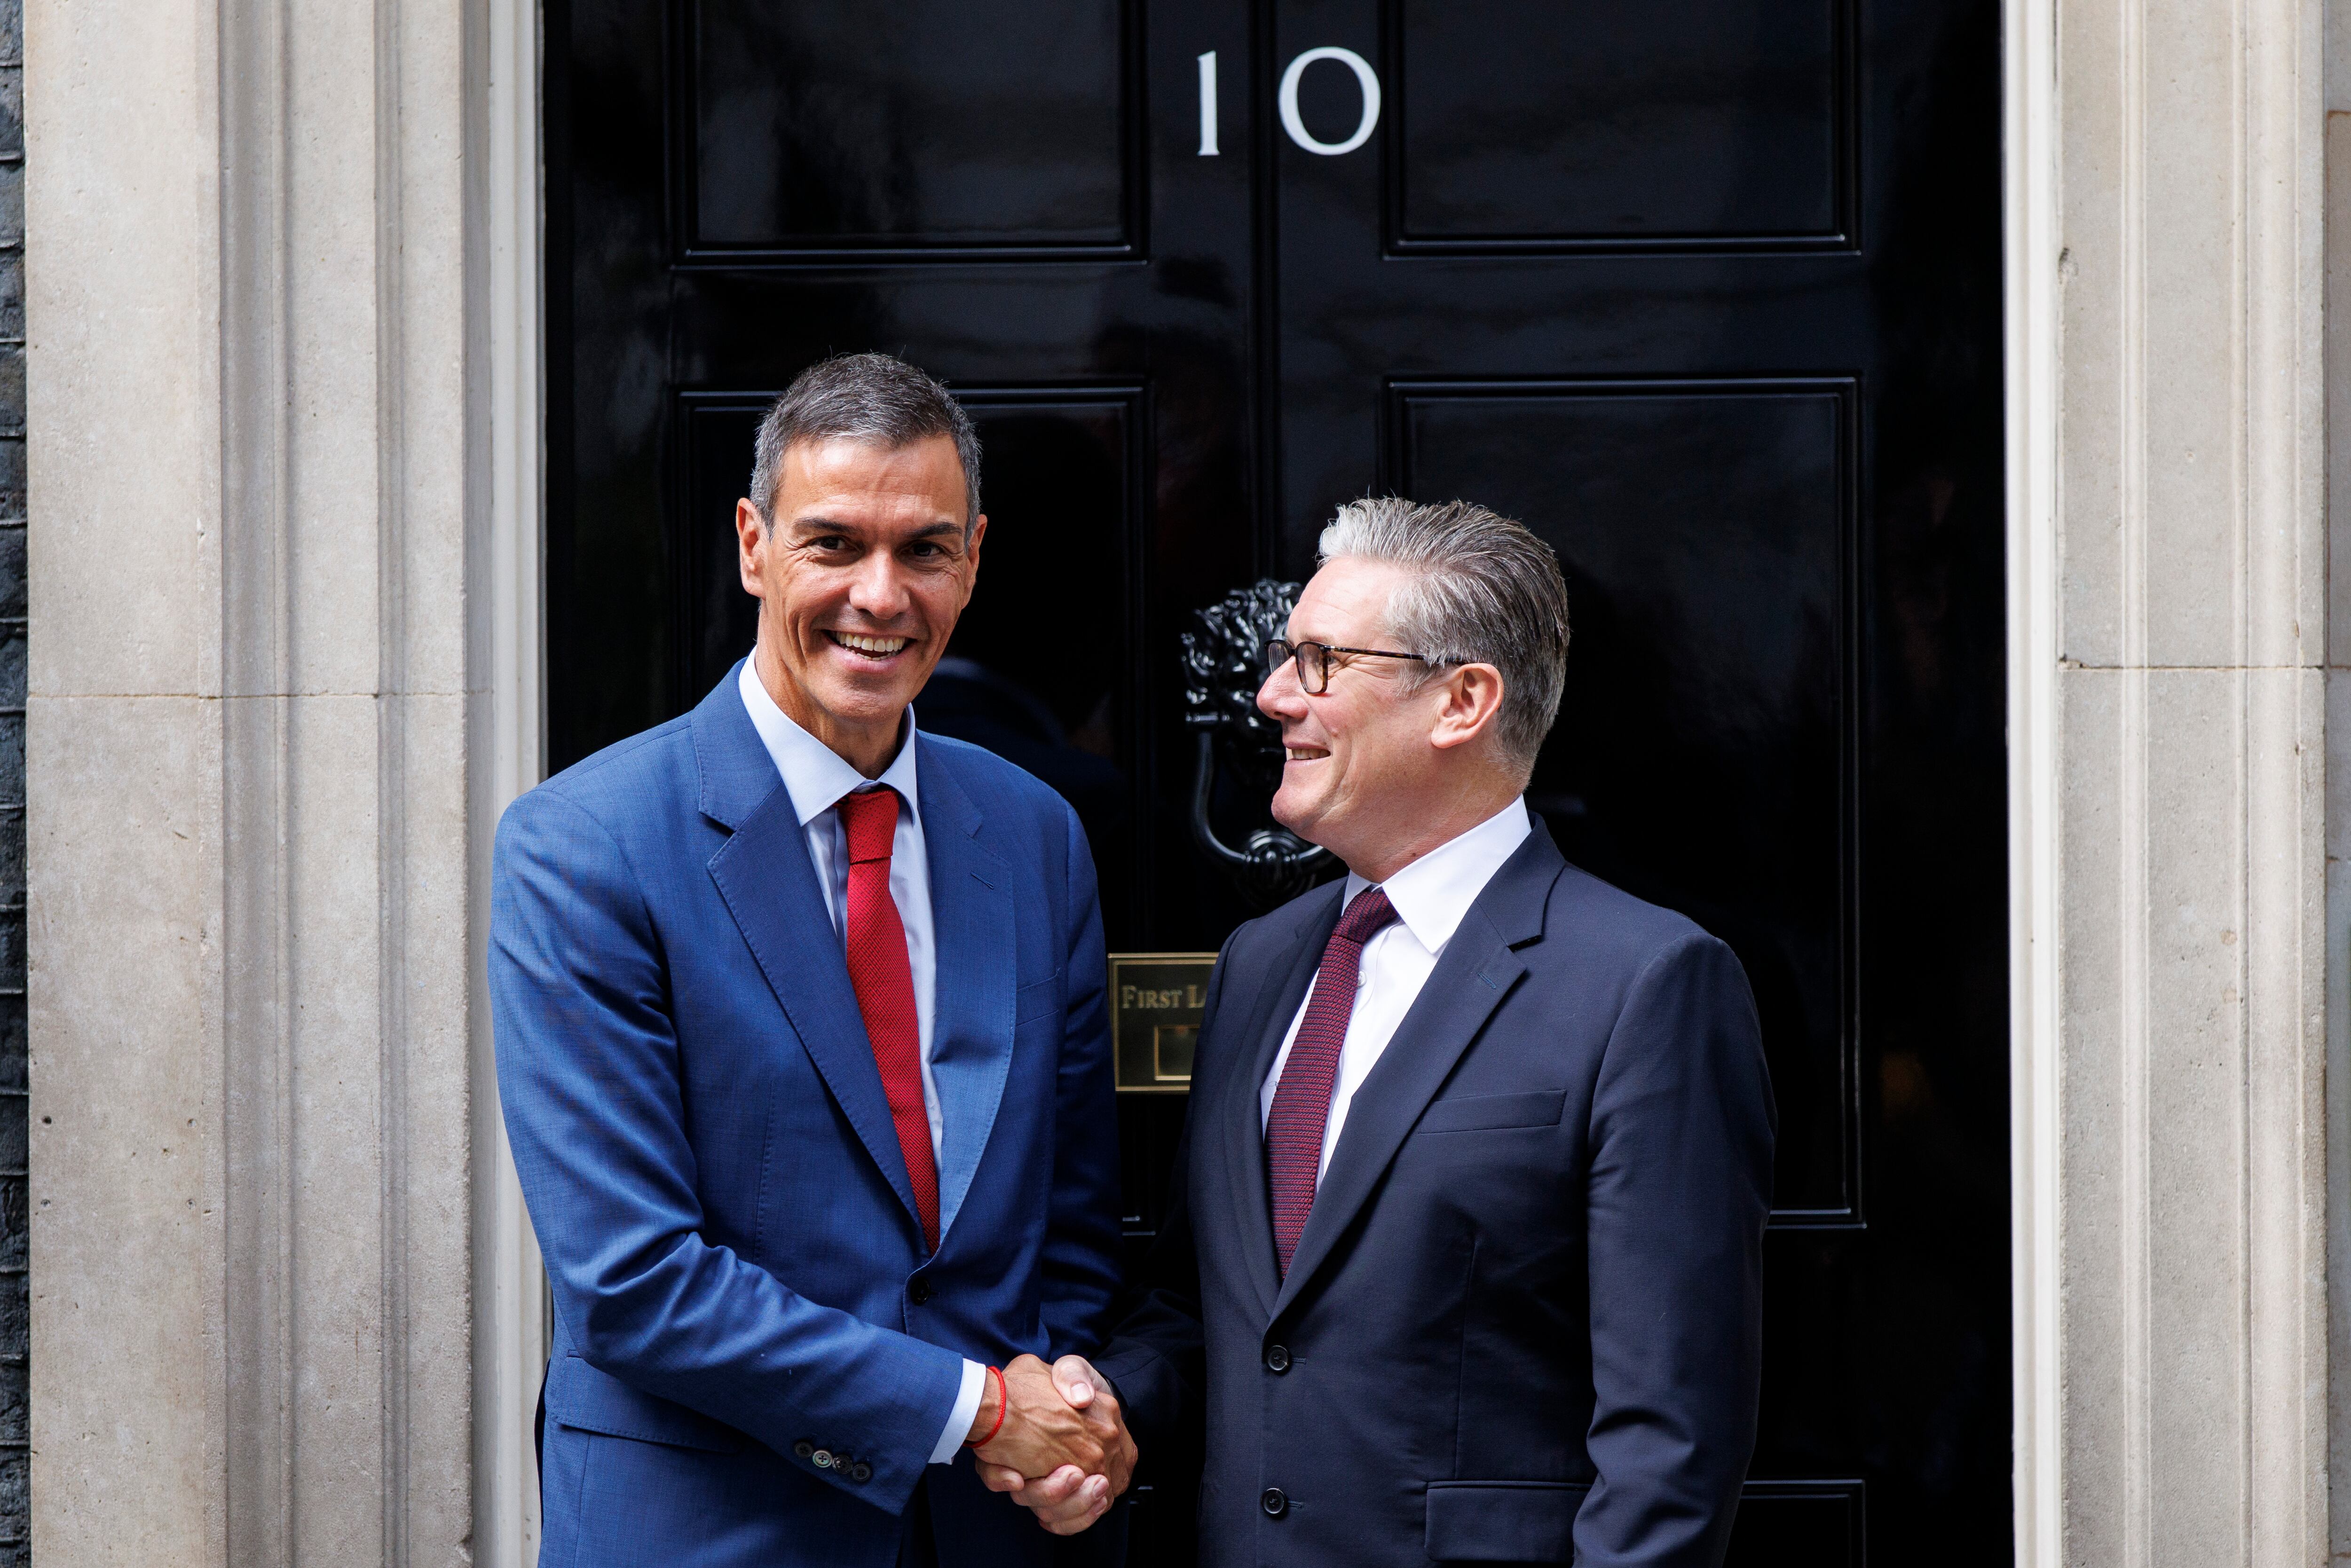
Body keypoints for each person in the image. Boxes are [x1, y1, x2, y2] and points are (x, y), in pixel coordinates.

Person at [989, 498, 1776, 1565]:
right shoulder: (1260, 963)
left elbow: (1670, 1443)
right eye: (1285, 659)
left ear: (1462, 701)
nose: (1273, 696)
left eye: (1320, 662)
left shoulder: (1648, 983)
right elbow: (1208, 1306)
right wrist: (1107, 1405)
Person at [492, 353, 1136, 1568]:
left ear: (974, 561)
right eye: (834, 544)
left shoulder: (1035, 834)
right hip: (710, 1532)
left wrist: (1057, 1419)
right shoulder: (585, 844)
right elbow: (632, 1280)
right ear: (754, 546)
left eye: (924, 550)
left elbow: (1073, 1223)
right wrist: (977, 1409)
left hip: (990, 1534)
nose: (880, 597)